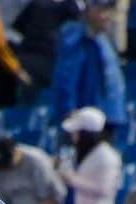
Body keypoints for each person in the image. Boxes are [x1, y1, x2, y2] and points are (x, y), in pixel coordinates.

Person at [56, 107, 122, 204]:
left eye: (76, 132)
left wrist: (72, 179)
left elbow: (105, 189)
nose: (73, 136)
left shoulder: (107, 156)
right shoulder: (80, 154)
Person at [51, 0, 125, 130]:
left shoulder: (104, 42)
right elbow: (66, 79)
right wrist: (68, 111)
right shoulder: (75, 39)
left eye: (108, 10)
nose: (107, 15)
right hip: (83, 123)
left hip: (107, 118)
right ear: (89, 11)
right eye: (101, 10)